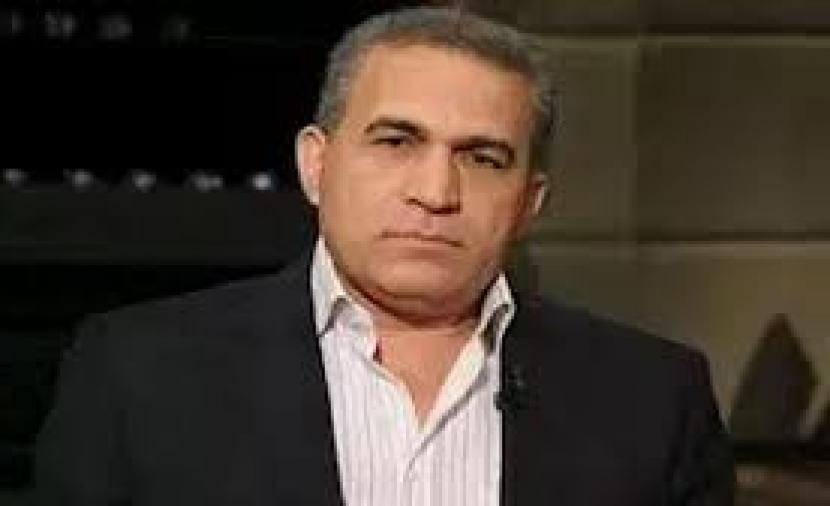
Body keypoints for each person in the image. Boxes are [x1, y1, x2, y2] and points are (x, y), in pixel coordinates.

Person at [34, 6, 735, 506]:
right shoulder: (137, 375)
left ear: (529, 201)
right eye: (396, 142)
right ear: (316, 164)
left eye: (483, 158)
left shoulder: (653, 401)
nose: (435, 193)